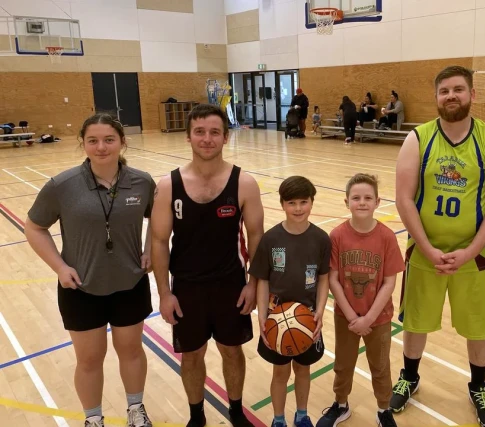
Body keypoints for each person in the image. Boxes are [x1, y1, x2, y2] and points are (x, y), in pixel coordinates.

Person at [393, 65, 485, 426]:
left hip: (473, 256)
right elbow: (403, 198)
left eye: (458, 89)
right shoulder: (418, 137)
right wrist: (427, 248)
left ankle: (478, 387)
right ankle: (410, 377)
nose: (451, 96)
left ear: (472, 94)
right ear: (436, 97)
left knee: (478, 327)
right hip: (425, 251)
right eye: (444, 91)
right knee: (415, 321)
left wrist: (471, 250)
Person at [25, 113, 155, 427]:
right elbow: (34, 226)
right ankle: (93, 418)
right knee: (89, 359)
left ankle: (135, 409)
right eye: (92, 140)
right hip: (80, 287)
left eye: (109, 140)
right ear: (82, 143)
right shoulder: (62, 185)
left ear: (122, 143)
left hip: (129, 282)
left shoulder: (142, 182)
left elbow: (158, 219)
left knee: (132, 351)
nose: (101, 147)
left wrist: (150, 248)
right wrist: (59, 267)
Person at [150, 104, 264, 427]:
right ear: (188, 137)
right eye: (199, 132)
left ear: (226, 137)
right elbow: (159, 242)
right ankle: (196, 416)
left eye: (214, 132)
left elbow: (257, 238)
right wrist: (164, 293)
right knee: (192, 355)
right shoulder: (169, 185)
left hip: (231, 285)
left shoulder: (245, 183)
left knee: (232, 352)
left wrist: (253, 284)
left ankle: (237, 411)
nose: (207, 138)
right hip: (186, 287)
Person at [317, 173, 404, 427]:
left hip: (379, 317)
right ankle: (341, 405)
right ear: (347, 203)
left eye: (368, 197)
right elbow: (333, 279)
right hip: (346, 316)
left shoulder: (386, 237)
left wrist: (368, 318)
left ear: (378, 202)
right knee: (343, 364)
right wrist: (354, 317)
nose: (362, 202)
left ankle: (383, 410)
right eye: (356, 198)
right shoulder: (337, 236)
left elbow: (389, 282)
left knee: (380, 366)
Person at [251, 176, 331, 427]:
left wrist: (320, 311)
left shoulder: (321, 239)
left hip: (307, 318)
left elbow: (324, 278)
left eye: (303, 202)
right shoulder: (271, 239)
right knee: (280, 373)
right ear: (282, 204)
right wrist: (262, 316)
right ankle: (278, 419)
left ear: (312, 202)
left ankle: (302, 414)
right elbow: (262, 281)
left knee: (303, 371)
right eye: (291, 203)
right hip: (277, 318)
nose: (298, 208)